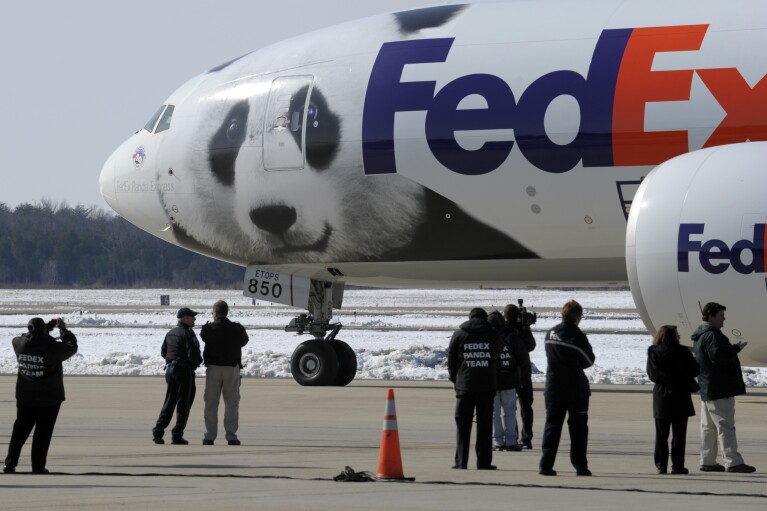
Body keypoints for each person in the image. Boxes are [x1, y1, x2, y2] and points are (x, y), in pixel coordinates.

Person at [4, 317, 77, 474]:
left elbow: (26, 337)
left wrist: (45, 329)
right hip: (49, 398)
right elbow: (71, 347)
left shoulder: (19, 344)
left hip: (25, 395)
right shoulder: (52, 348)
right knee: (43, 433)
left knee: (20, 430)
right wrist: (63, 330)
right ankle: (37, 466)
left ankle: (10, 463)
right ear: (43, 331)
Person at [691, 302, 756, 473]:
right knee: (725, 425)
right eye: (721, 315)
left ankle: (708, 460)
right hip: (719, 387)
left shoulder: (701, 334)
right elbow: (719, 357)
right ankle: (732, 461)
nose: (724, 319)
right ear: (711, 316)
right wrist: (736, 348)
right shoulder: (712, 335)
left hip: (708, 387)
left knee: (709, 427)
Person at [539, 300, 595, 476]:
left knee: (552, 427)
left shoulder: (551, 333)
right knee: (578, 430)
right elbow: (588, 360)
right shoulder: (577, 336)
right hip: (575, 389)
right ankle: (580, 466)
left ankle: (546, 464)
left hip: (554, 387)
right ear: (578, 317)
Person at [447, 307, 501, 470]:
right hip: (486, 385)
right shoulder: (493, 334)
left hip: (465, 385)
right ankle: (483, 462)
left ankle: (461, 461)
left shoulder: (459, 334)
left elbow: (451, 359)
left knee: (463, 425)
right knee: (484, 425)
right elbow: (497, 354)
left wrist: (454, 379)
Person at [646, 325, 699, 475]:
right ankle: (678, 466)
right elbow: (695, 370)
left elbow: (652, 375)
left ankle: (661, 465)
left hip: (661, 397)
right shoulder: (683, 351)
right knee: (679, 436)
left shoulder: (653, 352)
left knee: (661, 435)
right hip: (680, 395)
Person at [201, 300, 249, 446]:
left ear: (215, 313)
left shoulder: (208, 329)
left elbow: (204, 338)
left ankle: (210, 436)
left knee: (211, 403)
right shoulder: (237, 328)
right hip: (231, 368)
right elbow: (244, 341)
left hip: (213, 368)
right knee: (232, 403)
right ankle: (231, 436)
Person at [152, 307, 203, 445]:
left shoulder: (170, 333)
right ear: (185, 318)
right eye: (192, 316)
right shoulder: (188, 333)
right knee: (184, 404)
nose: (195, 319)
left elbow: (164, 352)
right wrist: (197, 362)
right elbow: (193, 354)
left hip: (170, 370)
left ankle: (158, 431)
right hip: (184, 371)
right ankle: (177, 434)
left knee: (169, 401)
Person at [487, 311, 523, 452]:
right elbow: (521, 358)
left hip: (491, 380)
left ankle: (497, 441)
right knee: (510, 411)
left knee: (494, 412)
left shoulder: (486, 336)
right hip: (509, 378)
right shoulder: (511, 335)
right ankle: (511, 441)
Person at [505, 303, 536, 449]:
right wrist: (526, 329)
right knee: (526, 406)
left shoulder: (505, 332)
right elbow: (531, 346)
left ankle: (514, 436)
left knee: (510, 408)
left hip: (510, 373)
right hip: (523, 372)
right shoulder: (518, 331)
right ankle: (526, 437)